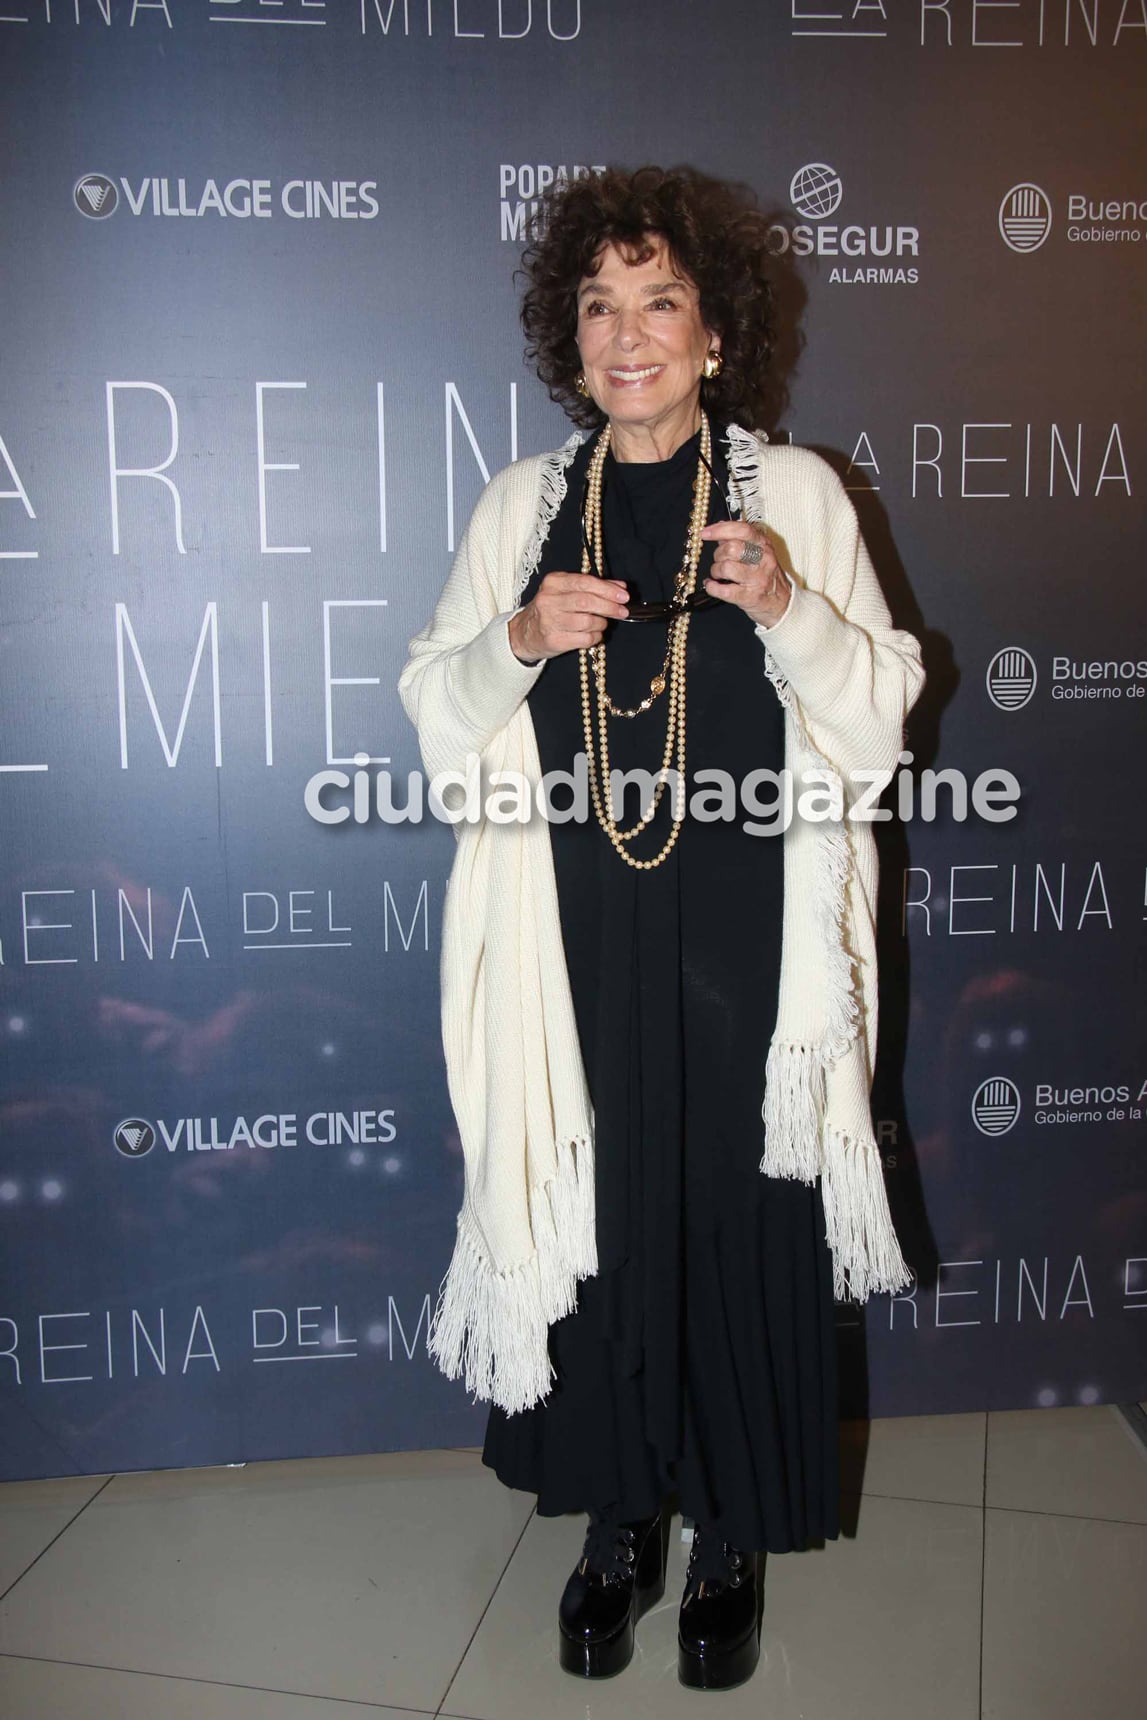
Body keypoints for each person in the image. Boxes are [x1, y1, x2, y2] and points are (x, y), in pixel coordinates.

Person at [399, 165, 924, 1690]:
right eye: (598, 306)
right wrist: (513, 638)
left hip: (751, 945)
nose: (628, 336)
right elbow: (435, 718)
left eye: (661, 304)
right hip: (572, 942)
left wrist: (792, 613)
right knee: (606, 1221)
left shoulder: (797, 494)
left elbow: (882, 721)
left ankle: (736, 1535)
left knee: (744, 1227)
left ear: (713, 337)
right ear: (569, 338)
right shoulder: (522, 507)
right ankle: (619, 1526)